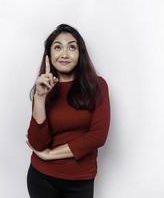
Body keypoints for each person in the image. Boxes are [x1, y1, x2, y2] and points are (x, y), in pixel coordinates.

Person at [26, 24, 111, 198]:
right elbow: (38, 143)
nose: (64, 54)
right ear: (49, 55)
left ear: (80, 54)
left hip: (81, 179)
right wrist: (40, 98)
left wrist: (51, 155)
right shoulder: (43, 88)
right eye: (58, 47)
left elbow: (98, 136)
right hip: (42, 178)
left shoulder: (98, 86)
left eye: (71, 47)